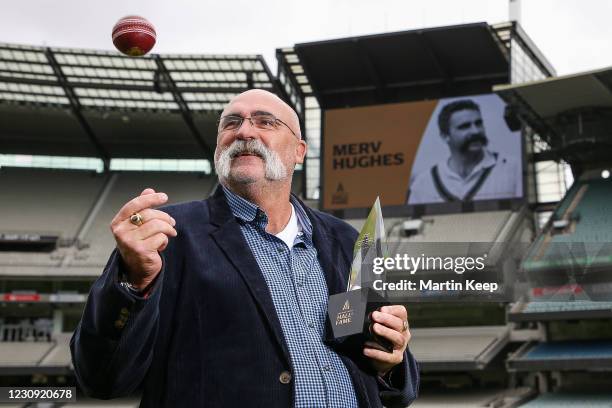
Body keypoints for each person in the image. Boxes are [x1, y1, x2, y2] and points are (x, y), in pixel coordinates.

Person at [71, 89, 419, 407]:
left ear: (299, 150)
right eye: (231, 123)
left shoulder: (345, 239)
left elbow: (392, 375)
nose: (245, 132)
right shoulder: (166, 234)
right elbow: (103, 378)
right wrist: (133, 283)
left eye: (265, 122)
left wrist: (391, 358)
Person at [407, 99, 521, 204]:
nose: (475, 131)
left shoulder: (514, 168)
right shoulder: (423, 183)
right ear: (445, 136)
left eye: (478, 123)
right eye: (464, 127)